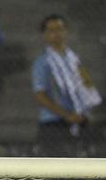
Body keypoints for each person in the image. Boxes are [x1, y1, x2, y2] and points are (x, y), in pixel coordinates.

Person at [32, 14, 101, 150]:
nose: (57, 34)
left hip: (80, 119)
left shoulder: (74, 59)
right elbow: (40, 94)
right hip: (54, 122)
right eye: (51, 30)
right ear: (44, 35)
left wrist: (85, 111)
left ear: (66, 32)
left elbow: (86, 86)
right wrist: (66, 115)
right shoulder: (42, 62)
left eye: (60, 29)